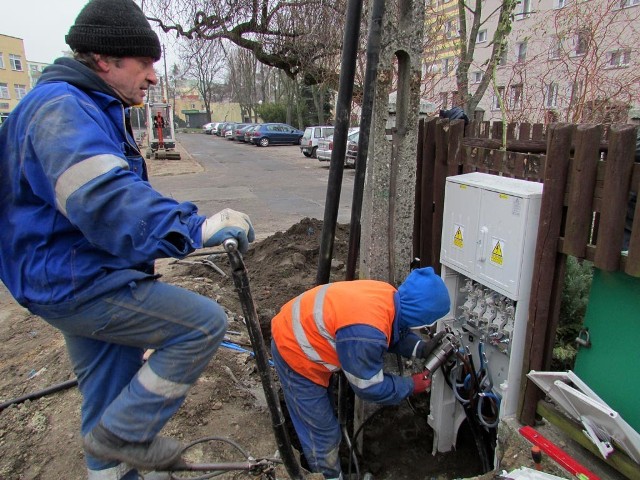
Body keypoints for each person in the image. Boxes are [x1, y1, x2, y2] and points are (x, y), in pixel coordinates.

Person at [0, 1, 254, 479]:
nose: (154, 76)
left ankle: (113, 454)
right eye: (145, 62)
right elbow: (105, 200)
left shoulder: (82, 105)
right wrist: (194, 228)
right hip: (77, 281)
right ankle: (124, 437)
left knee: (110, 397)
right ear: (104, 59)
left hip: (70, 273)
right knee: (201, 325)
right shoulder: (63, 109)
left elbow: (117, 191)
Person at [271, 266, 451, 480]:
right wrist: (411, 385)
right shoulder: (366, 334)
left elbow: (393, 331)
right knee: (322, 434)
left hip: (303, 330)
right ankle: (329, 476)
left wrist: (420, 348)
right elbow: (369, 387)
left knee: (325, 421)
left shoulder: (388, 296)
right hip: (294, 352)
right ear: (423, 317)